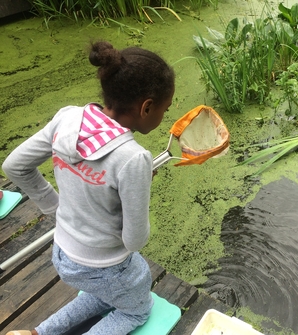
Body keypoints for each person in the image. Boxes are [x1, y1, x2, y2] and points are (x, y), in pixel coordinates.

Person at [2, 40, 175, 335]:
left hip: (63, 254)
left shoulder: (66, 118)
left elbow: (14, 166)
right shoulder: (133, 158)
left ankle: (37, 333)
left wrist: (53, 207)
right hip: (103, 265)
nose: (164, 115)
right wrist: (138, 189)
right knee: (137, 308)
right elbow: (134, 241)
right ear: (146, 107)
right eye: (165, 109)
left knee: (103, 293)